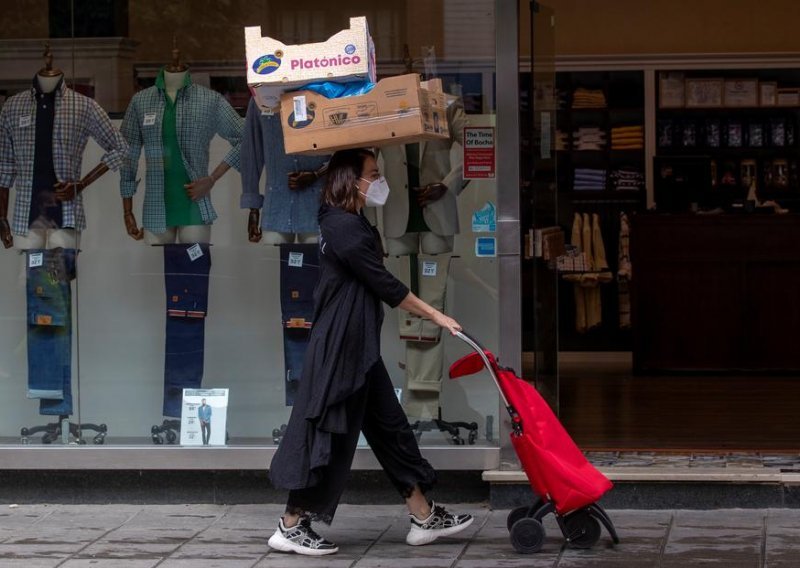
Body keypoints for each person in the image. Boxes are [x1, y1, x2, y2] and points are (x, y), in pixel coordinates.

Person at [267, 148, 473, 556]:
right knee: (331, 433)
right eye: (373, 174)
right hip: (342, 348)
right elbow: (385, 284)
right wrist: (437, 315)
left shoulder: (347, 218)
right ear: (351, 180)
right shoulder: (343, 227)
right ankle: (290, 525)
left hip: (357, 345)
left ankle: (423, 514)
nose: (380, 182)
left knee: (390, 428)